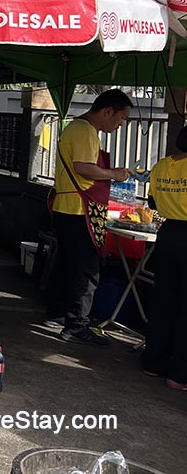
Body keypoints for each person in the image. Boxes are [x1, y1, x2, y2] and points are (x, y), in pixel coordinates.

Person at [46, 88, 133, 347]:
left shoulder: (76, 128)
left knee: (67, 263)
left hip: (66, 206)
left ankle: (58, 313)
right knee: (86, 270)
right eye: (120, 118)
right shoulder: (84, 130)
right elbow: (82, 167)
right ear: (107, 111)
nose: (119, 124)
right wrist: (114, 174)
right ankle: (77, 325)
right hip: (77, 209)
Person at [142, 126, 187, 390]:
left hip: (168, 235)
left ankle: (153, 363)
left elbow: (153, 204)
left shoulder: (161, 166)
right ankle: (179, 375)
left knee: (163, 299)